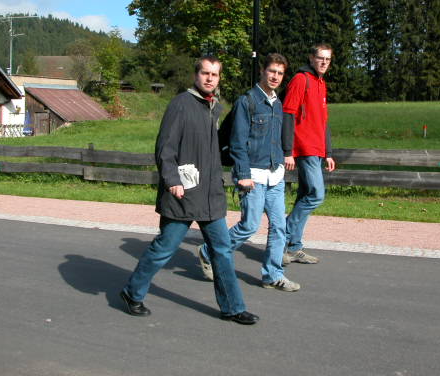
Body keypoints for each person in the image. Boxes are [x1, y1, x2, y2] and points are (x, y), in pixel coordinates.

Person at [120, 55, 259, 325]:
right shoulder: (181, 104)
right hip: (182, 193)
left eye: (214, 74)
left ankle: (232, 307)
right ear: (196, 75)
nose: (209, 78)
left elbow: (214, 150)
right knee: (165, 247)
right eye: (205, 73)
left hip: (210, 195)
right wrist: (172, 180)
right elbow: (165, 147)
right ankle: (131, 293)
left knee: (222, 250)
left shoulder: (214, 107)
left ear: (219, 78)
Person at [197, 53, 300, 292]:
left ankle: (273, 275)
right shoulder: (247, 101)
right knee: (250, 226)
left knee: (279, 227)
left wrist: (284, 157)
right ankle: (209, 251)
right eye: (272, 71)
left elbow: (276, 137)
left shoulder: (278, 103)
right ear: (262, 71)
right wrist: (243, 174)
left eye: (280, 73)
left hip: (275, 174)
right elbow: (238, 142)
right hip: (252, 173)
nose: (275, 77)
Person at [281, 43, 336, 265]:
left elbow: (323, 122)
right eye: (320, 58)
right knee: (316, 195)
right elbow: (287, 113)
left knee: (304, 196)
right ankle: (281, 236)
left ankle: (294, 247)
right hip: (304, 148)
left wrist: (328, 152)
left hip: (318, 150)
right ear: (311, 58)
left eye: (328, 59)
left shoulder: (321, 83)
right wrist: (288, 150)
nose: (324, 62)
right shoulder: (300, 79)